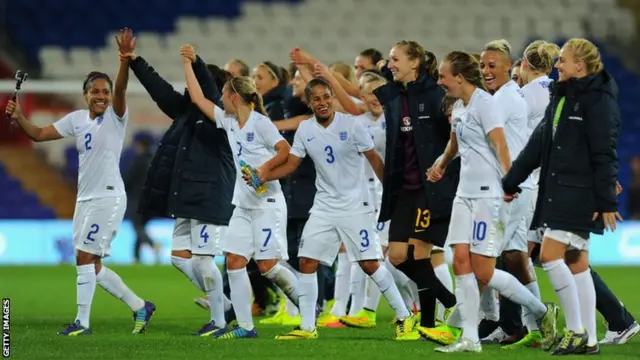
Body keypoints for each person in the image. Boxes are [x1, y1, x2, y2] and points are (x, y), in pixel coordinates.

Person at [5, 28, 155, 335]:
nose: (101, 96)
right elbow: (39, 134)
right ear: (85, 94)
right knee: (89, 264)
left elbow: (123, 89)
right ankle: (140, 306)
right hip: (85, 200)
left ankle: (82, 323)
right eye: (95, 91)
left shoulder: (116, 116)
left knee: (86, 257)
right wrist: (19, 117)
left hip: (108, 197)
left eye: (105, 92)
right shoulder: (76, 119)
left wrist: (125, 60)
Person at [262, 78, 416, 340]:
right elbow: (291, 165)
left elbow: (375, 160)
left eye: (326, 97)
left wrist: (393, 197)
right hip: (324, 206)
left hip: (356, 206)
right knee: (307, 262)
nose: (322, 103)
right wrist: (263, 176)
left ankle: (405, 317)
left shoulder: (352, 125)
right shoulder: (305, 130)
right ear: (309, 103)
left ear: (332, 97)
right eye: (316, 99)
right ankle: (308, 327)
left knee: (369, 264)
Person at [425, 51, 557, 353]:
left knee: (483, 270)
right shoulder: (458, 107)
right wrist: (442, 164)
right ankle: (470, 337)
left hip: (488, 195)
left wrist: (509, 182)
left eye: (443, 75)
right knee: (459, 261)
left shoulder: (486, 105)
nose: (440, 80)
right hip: (464, 194)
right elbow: (455, 142)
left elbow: (500, 145)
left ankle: (539, 311)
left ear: (459, 77)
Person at [503, 38, 623, 355]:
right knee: (576, 261)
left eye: (563, 61)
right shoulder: (562, 96)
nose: (557, 65)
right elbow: (539, 143)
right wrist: (511, 181)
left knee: (550, 256)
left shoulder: (598, 101)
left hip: (578, 192)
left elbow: (604, 152)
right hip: (560, 190)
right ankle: (590, 340)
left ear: (579, 66)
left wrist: (606, 200)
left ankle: (575, 331)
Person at [182, 45, 301, 340]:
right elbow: (198, 98)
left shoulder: (260, 123)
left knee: (268, 267)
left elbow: (284, 149)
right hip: (244, 205)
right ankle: (246, 327)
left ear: (234, 96)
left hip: (267, 203)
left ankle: (309, 308)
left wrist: (264, 169)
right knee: (234, 261)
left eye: (224, 94)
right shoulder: (229, 121)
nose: (221, 99)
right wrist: (189, 63)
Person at [123, 35, 234, 336]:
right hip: (187, 195)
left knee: (202, 258)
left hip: (209, 195)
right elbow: (160, 91)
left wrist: (193, 62)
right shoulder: (187, 112)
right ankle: (224, 305)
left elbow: (207, 92)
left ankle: (219, 322)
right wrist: (136, 62)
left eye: (195, 82)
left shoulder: (219, 114)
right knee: (178, 257)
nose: (189, 88)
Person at [373, 40, 458, 338]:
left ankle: (429, 325)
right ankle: (450, 302)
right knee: (396, 256)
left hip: (428, 188)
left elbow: (455, 140)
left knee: (420, 255)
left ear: (415, 62)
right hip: (403, 189)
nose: (389, 63)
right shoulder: (395, 96)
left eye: (395, 58)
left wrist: (444, 172)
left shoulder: (437, 96)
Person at [478, 39, 544, 348]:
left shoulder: (500, 101)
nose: (486, 71)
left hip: (511, 189)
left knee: (484, 259)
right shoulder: (510, 95)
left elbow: (490, 142)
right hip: (521, 186)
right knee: (515, 257)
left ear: (510, 66)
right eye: (482, 66)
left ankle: (465, 325)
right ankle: (535, 326)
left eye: (492, 66)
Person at [123, 135, 160, 264]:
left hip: (136, 198)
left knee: (137, 226)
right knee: (141, 227)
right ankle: (137, 258)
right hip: (150, 200)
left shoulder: (138, 160)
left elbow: (129, 178)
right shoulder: (155, 159)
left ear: (140, 145)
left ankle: (153, 244)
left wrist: (124, 190)